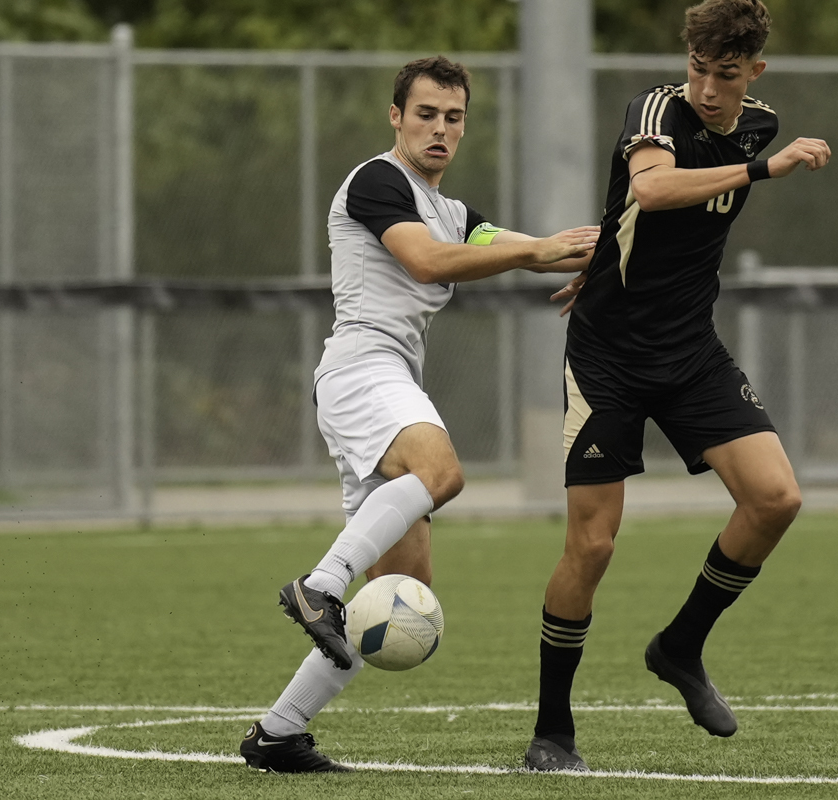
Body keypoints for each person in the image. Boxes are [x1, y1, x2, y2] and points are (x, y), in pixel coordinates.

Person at [239, 55, 597, 774]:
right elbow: (430, 263)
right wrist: (540, 253)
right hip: (361, 370)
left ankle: (278, 734)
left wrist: (586, 255)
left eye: (453, 117)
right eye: (426, 113)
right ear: (396, 116)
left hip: (386, 379)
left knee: (397, 598)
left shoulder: (456, 212)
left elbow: (501, 243)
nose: (439, 128)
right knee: (442, 472)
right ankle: (317, 586)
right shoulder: (379, 182)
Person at [524, 0, 830, 772]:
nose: (707, 88)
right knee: (592, 546)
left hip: (691, 352)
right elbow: (653, 191)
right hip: (608, 356)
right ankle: (552, 732)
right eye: (698, 68)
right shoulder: (655, 111)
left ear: (754, 72)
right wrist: (768, 168)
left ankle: (681, 646)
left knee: (776, 499)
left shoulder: (759, 120)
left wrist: (759, 155)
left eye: (726, 75)